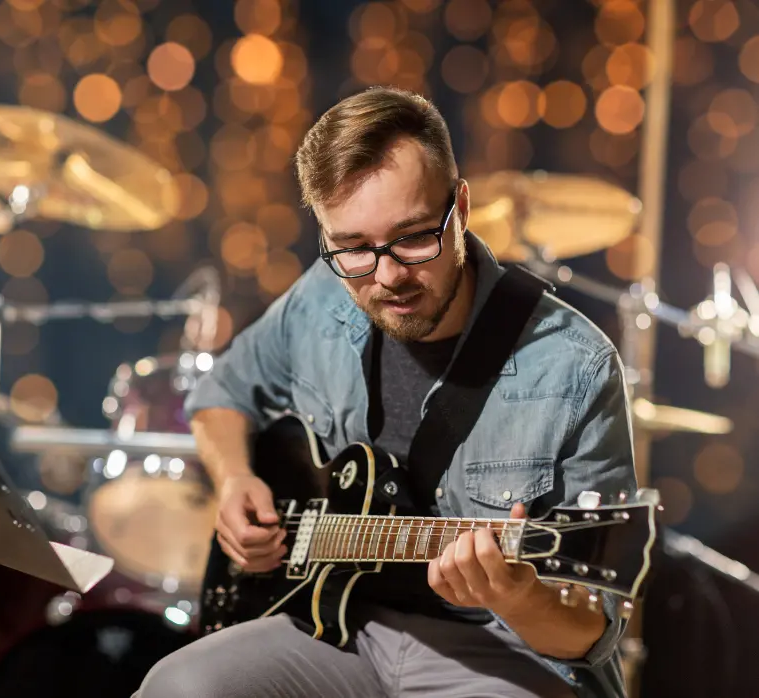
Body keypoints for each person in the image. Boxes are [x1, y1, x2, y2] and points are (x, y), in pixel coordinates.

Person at [135, 87, 637, 698]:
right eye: (352, 249)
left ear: (463, 207)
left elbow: (592, 630)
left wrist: (518, 595)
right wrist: (235, 478)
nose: (389, 275)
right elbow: (222, 392)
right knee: (176, 685)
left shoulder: (575, 365)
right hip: (338, 627)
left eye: (415, 237)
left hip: (500, 652)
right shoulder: (322, 296)